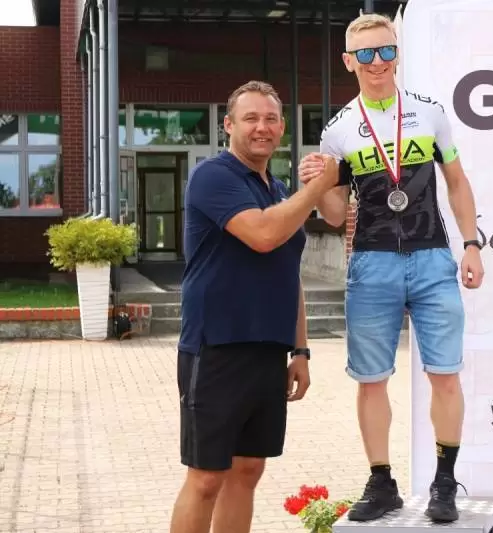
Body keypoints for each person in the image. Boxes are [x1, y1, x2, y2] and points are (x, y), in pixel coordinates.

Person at [298, 12, 485, 524]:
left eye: (386, 50)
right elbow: (334, 214)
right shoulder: (337, 131)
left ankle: (444, 482)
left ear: (397, 54)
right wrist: (318, 183)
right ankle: (382, 483)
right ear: (348, 61)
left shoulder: (429, 113)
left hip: (432, 258)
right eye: (365, 54)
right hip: (371, 263)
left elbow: (457, 182)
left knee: (445, 375)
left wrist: (472, 244)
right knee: (371, 380)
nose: (377, 62)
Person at [169, 80, 339, 533]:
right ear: (228, 125)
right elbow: (263, 235)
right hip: (216, 349)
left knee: (247, 472)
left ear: (282, 128)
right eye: (250, 118)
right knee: (206, 477)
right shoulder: (213, 176)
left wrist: (300, 351)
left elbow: (289, 273)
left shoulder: (278, 189)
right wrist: (317, 188)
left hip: (268, 352)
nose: (261, 127)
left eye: (270, 119)